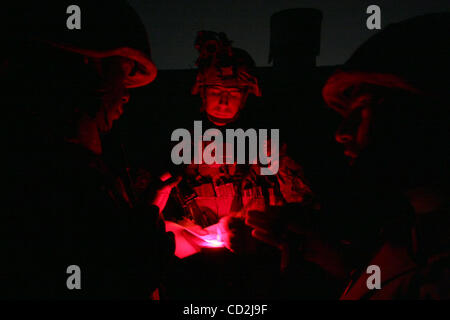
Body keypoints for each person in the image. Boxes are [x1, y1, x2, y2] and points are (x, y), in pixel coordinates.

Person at [246, 13, 450, 299]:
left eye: (364, 108)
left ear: (429, 114)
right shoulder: (416, 232)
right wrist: (330, 257)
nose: (341, 133)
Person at [3, 0, 178, 299]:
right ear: (84, 72)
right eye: (121, 75)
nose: (126, 96)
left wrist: (148, 210)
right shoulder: (41, 177)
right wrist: (144, 251)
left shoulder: (74, 163)